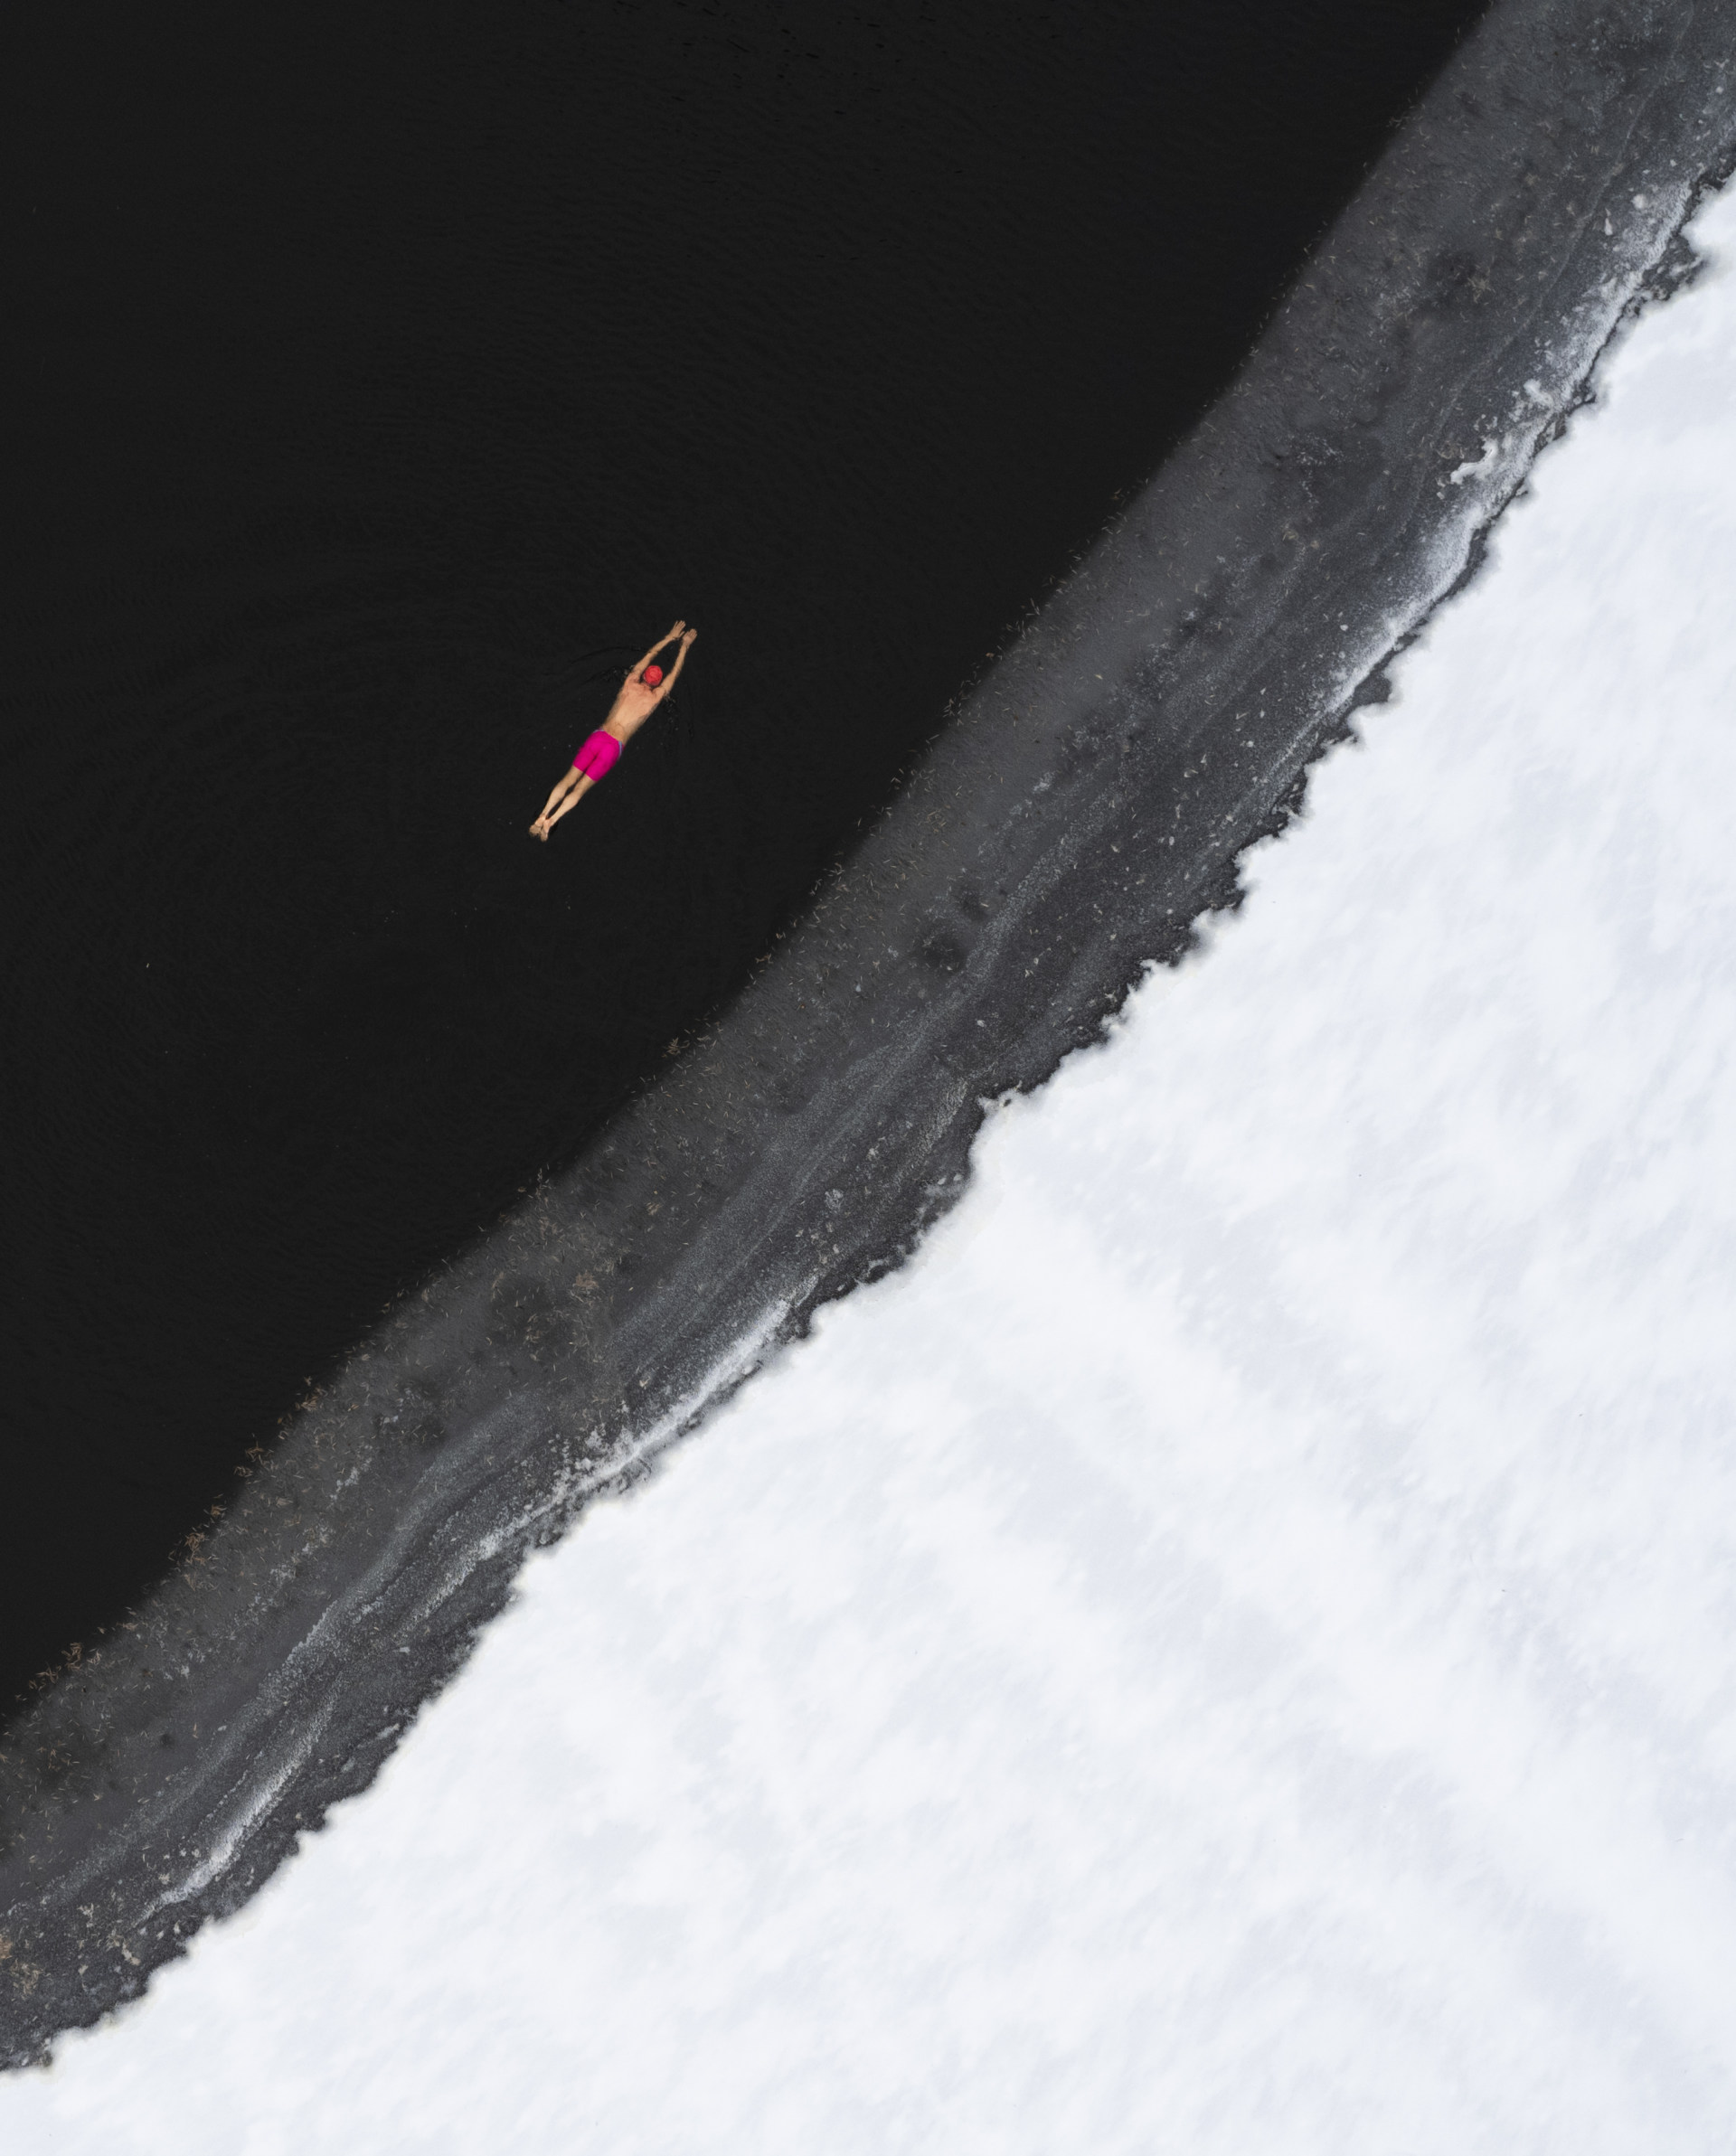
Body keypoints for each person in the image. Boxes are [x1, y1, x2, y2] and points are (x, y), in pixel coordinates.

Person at [531, 620, 698, 841]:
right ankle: (551, 822)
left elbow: (647, 657)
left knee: (567, 780)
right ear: (656, 684)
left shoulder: (630, 682)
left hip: (598, 737)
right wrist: (684, 646)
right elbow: (673, 676)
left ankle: (541, 817)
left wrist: (669, 637)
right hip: (613, 747)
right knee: (579, 790)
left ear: (644, 675)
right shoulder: (655, 698)